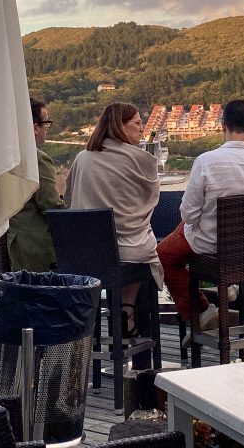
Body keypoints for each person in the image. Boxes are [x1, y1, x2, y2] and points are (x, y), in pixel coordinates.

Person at [157, 99, 244, 343]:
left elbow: (189, 214)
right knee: (189, 234)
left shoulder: (206, 162)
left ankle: (202, 311)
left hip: (211, 249)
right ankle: (228, 287)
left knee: (163, 255)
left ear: (222, 125)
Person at [65, 102, 161, 337]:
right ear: (120, 126)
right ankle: (126, 310)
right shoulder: (140, 159)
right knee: (143, 242)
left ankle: (103, 319)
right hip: (128, 253)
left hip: (85, 253)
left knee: (125, 244)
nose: (142, 128)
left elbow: (68, 198)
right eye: (137, 123)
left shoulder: (82, 158)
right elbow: (150, 199)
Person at [6, 98, 64, 271]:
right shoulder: (38, 160)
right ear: (35, 127)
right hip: (37, 247)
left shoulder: (7, 158)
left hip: (13, 242)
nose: (47, 127)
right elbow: (51, 206)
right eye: (46, 122)